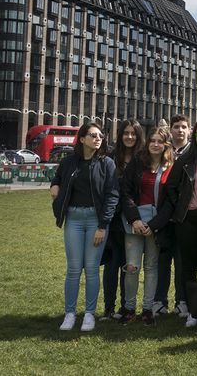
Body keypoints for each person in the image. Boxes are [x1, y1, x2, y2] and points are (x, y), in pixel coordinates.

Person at [49, 122, 118, 332]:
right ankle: (70, 313)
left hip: (96, 221)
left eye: (100, 136)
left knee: (91, 269)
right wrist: (54, 186)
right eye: (93, 135)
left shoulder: (107, 164)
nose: (98, 138)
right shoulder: (70, 162)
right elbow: (58, 177)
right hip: (74, 219)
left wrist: (103, 226)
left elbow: (112, 196)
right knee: (73, 269)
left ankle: (89, 314)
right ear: (81, 139)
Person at [164, 118, 197, 328]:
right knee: (188, 267)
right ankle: (192, 310)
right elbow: (170, 188)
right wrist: (182, 206)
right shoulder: (185, 160)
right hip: (187, 219)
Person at [118, 126, 174, 325]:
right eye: (153, 141)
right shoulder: (137, 163)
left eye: (160, 141)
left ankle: (148, 309)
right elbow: (125, 193)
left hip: (155, 225)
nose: (156, 145)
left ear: (166, 145)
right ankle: (129, 308)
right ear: (148, 142)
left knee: (151, 267)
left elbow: (170, 201)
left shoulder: (170, 167)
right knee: (132, 267)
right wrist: (135, 219)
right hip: (134, 223)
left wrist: (154, 224)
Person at [101, 119, 144, 321]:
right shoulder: (110, 158)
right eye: (126, 133)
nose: (129, 136)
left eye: (133, 133)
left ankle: (126, 307)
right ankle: (109, 308)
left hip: (132, 219)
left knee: (129, 266)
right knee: (111, 265)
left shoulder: (143, 159)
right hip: (112, 220)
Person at [153, 114, 191, 317]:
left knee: (182, 260)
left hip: (185, 214)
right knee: (163, 258)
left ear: (189, 129)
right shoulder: (163, 151)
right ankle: (160, 300)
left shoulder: (193, 152)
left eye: (183, 126)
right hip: (164, 213)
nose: (180, 130)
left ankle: (182, 300)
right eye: (176, 126)